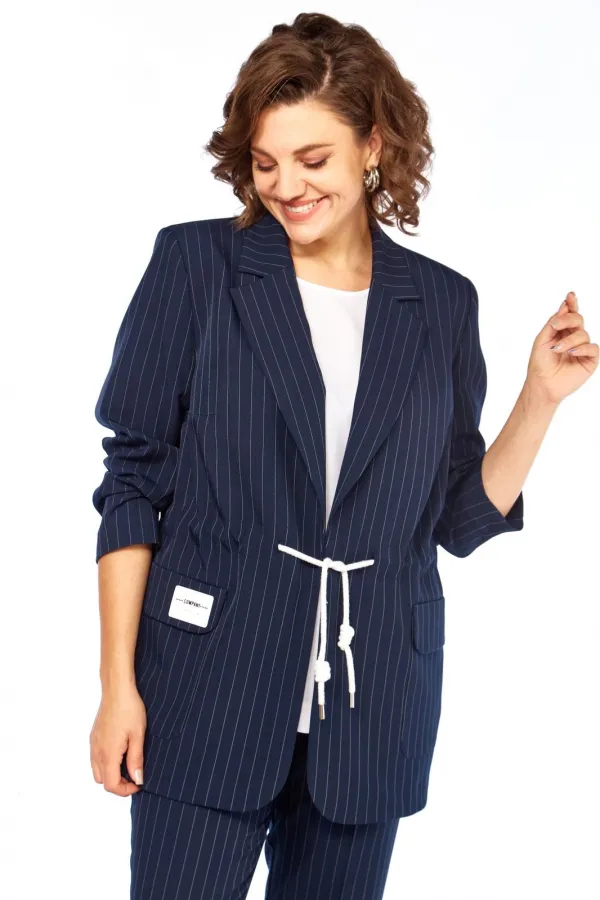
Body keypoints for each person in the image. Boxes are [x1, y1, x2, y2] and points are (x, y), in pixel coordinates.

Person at [89, 12, 598, 900]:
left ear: (373, 146)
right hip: (204, 690)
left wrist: (540, 399)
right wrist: (116, 686)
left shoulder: (440, 304)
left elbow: (456, 519)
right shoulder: (198, 265)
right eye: (265, 162)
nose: (286, 186)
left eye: (313, 159)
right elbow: (132, 481)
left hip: (372, 707)